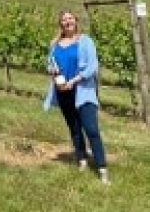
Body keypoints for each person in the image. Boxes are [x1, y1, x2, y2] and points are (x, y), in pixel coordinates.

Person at [43, 9, 110, 185]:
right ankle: (81, 159)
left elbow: (92, 67)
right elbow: (50, 64)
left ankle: (102, 168)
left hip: (83, 91)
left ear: (76, 21)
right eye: (64, 19)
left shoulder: (85, 41)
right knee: (74, 128)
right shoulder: (55, 44)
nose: (67, 22)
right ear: (60, 24)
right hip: (63, 91)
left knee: (91, 129)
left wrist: (74, 80)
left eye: (70, 18)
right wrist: (53, 72)